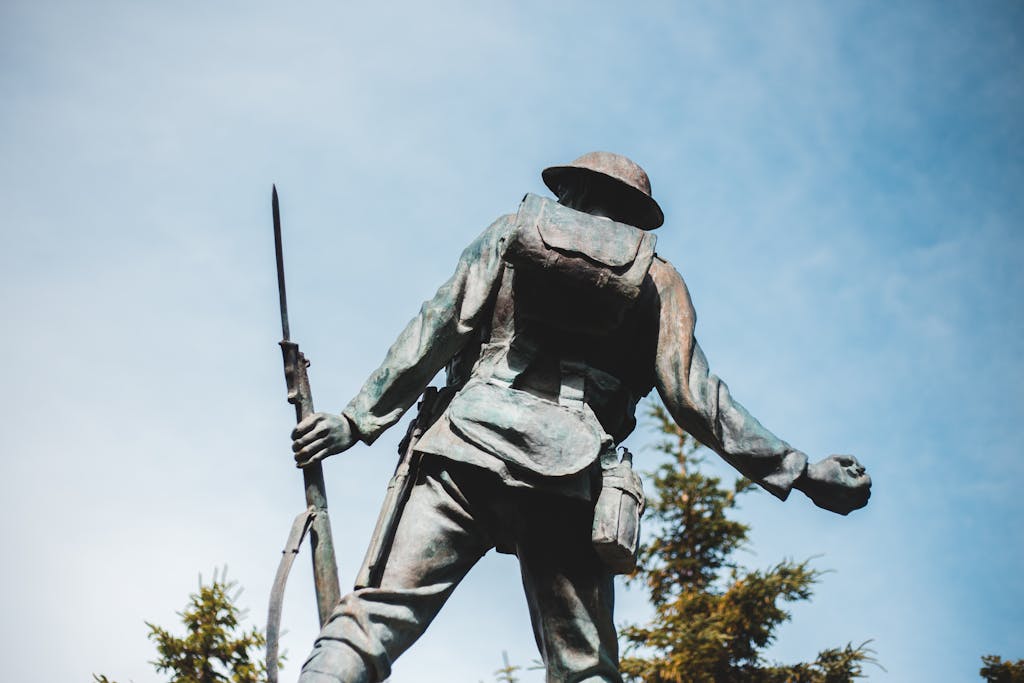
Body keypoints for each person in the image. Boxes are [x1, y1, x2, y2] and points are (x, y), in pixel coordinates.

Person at [290, 152, 871, 683]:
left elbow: (437, 327)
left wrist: (356, 420)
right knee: (583, 665)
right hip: (568, 473)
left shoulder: (511, 235)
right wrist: (797, 470)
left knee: (374, 618)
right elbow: (695, 397)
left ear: (568, 191)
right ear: (637, 218)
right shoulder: (657, 280)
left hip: (462, 449)